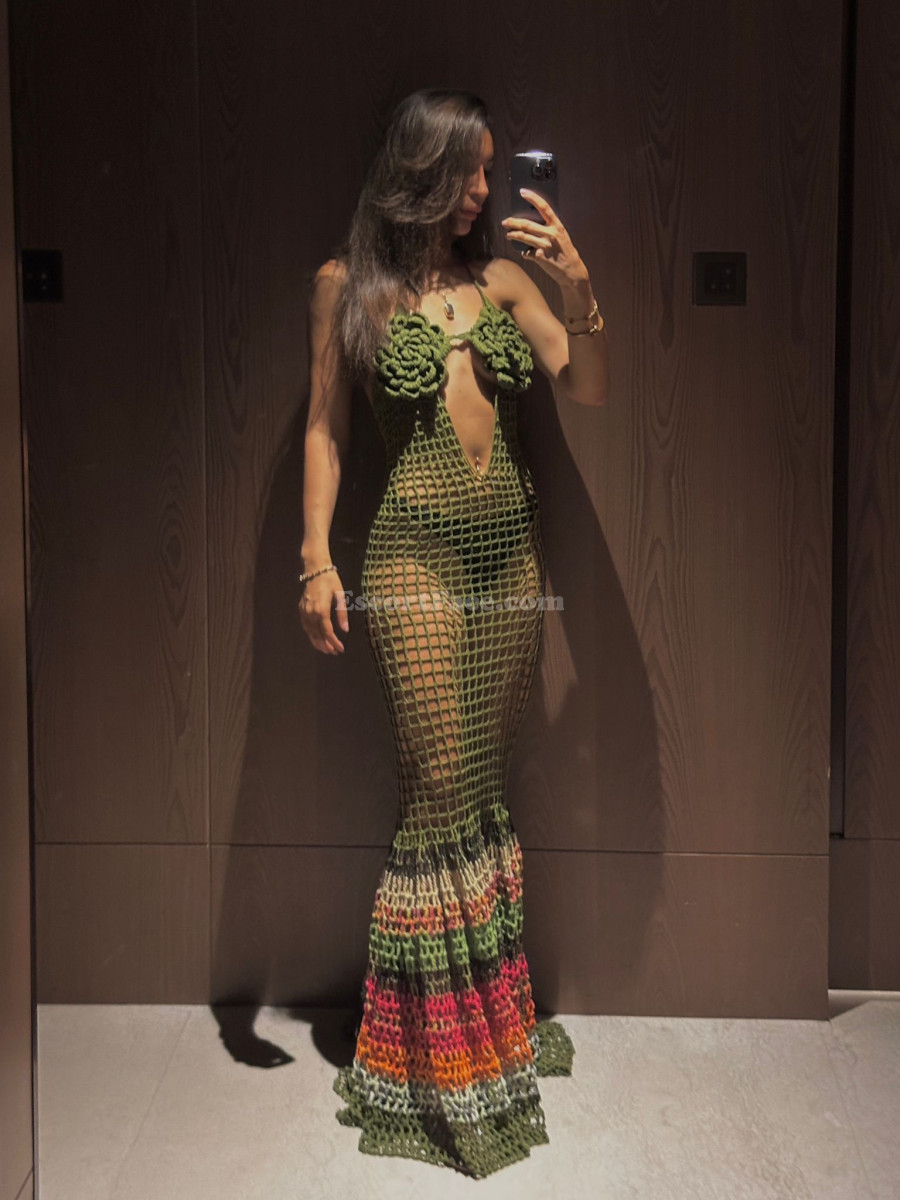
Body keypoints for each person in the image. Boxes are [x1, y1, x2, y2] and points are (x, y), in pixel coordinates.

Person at [299, 88, 608, 1178]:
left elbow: (590, 387)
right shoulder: (346, 288)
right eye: (468, 170)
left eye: (488, 170)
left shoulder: (505, 282)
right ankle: (429, 1057)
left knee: (480, 783)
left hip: (510, 559)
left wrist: (578, 287)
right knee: (435, 786)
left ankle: (488, 1025)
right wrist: (315, 557)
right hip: (413, 555)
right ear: (419, 170)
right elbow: (326, 428)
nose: (484, 190)